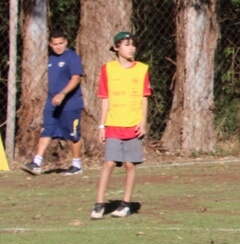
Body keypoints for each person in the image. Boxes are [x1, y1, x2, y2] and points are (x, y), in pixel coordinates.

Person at [91, 32, 151, 220]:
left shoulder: (142, 69)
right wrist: (102, 126)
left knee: (129, 164)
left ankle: (125, 204)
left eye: (133, 44)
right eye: (126, 44)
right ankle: (99, 203)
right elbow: (105, 98)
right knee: (109, 163)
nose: (131, 48)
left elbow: (144, 98)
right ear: (116, 48)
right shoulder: (107, 69)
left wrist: (142, 122)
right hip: (113, 124)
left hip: (133, 125)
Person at [22, 32, 86, 176]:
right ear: (50, 45)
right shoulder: (50, 59)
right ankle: (36, 163)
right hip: (52, 102)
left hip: (70, 103)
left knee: (73, 134)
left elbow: (76, 79)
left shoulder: (72, 57)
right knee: (47, 130)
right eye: (55, 44)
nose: (58, 47)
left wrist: (63, 94)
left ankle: (76, 165)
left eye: (61, 43)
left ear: (66, 42)